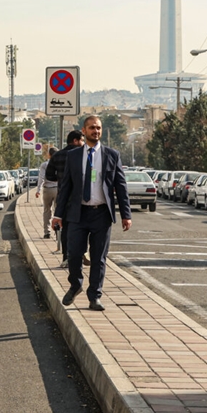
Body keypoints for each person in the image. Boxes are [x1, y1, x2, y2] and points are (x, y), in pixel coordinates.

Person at [51, 116, 131, 312]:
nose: (96, 131)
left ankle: (94, 295)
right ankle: (76, 284)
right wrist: (58, 214)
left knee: (98, 258)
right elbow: (66, 188)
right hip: (77, 214)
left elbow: (121, 186)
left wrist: (126, 214)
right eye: (92, 128)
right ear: (84, 131)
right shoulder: (74, 156)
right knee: (74, 253)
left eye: (98, 128)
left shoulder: (112, 155)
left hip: (101, 215)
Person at [45, 130, 84, 266]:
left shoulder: (57, 156)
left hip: (64, 197)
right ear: (75, 140)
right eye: (82, 140)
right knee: (84, 227)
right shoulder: (82, 155)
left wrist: (61, 180)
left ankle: (66, 258)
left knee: (66, 228)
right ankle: (82, 253)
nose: (83, 143)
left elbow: (49, 175)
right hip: (81, 197)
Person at [35, 147, 58, 239]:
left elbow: (41, 178)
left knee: (47, 210)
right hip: (58, 189)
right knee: (57, 211)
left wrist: (38, 190)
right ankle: (58, 231)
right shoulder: (60, 163)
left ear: (49, 155)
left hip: (47, 189)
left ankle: (46, 232)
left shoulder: (44, 165)